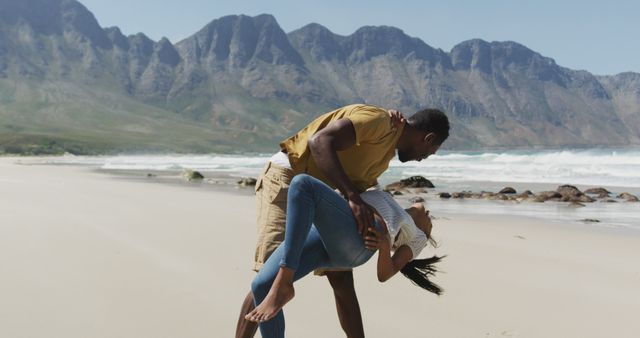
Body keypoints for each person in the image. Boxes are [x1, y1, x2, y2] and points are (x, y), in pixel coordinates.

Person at [235, 104, 450, 338]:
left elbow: (361, 192)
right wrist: (353, 197)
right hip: (288, 178)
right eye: (428, 153)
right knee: (268, 282)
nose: (422, 160)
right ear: (428, 139)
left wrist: (377, 230)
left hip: (322, 202)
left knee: (340, 279)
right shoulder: (379, 121)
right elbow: (319, 142)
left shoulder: (384, 156)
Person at [245, 174, 444, 338]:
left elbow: (385, 274)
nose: (429, 215)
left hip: (355, 243)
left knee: (302, 184)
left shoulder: (418, 238)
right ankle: (280, 288)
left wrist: (384, 244)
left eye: (431, 224)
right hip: (323, 234)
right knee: (261, 286)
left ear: (426, 231)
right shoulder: (396, 205)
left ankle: (284, 283)